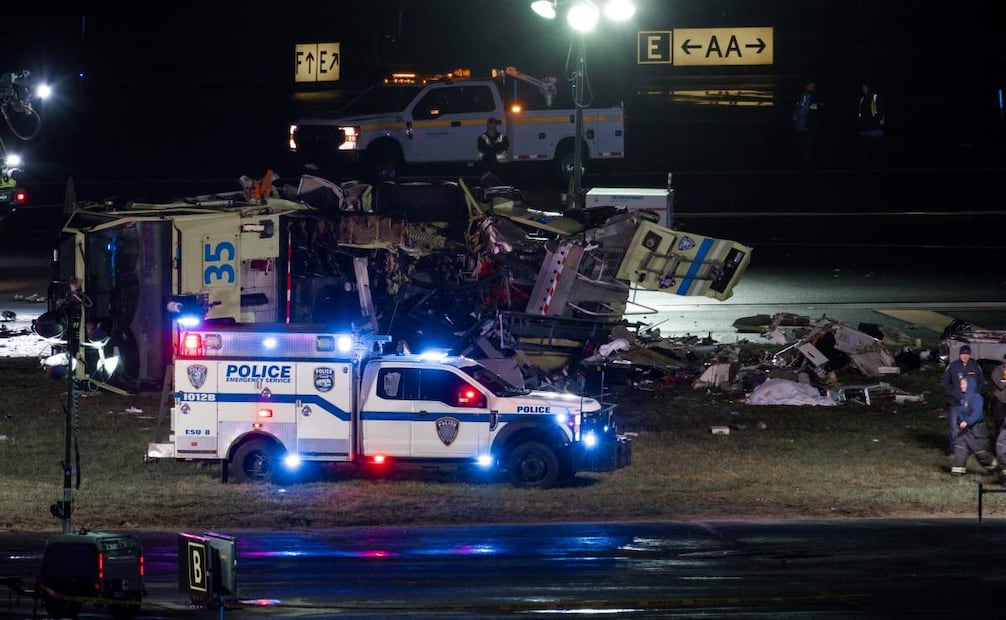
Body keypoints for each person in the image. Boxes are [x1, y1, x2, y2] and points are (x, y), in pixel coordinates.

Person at [941, 344, 984, 454]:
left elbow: (981, 383)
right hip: (955, 402)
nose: (965, 356)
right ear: (959, 355)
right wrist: (953, 393)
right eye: (963, 354)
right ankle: (954, 450)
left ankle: (968, 450)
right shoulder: (953, 366)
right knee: (954, 427)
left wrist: (974, 396)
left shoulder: (975, 366)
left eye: (967, 354)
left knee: (968, 427)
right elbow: (945, 382)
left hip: (969, 403)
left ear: (970, 355)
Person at [949, 375, 996, 475]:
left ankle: (995, 467)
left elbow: (977, 413)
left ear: (969, 385)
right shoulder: (962, 398)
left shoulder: (976, 397)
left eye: (963, 384)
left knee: (981, 453)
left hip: (976, 429)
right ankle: (958, 469)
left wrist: (968, 421)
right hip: (965, 430)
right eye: (960, 384)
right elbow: (961, 412)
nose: (961, 386)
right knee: (960, 447)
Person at [792, 80, 823, 169]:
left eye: (813, 85)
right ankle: (805, 161)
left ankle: (807, 160)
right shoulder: (804, 96)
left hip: (810, 123)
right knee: (806, 143)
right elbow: (800, 111)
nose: (812, 87)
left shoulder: (813, 96)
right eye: (811, 85)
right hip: (806, 123)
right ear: (807, 86)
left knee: (808, 143)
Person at [856, 81, 886, 165]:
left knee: (877, 156)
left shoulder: (877, 98)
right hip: (863, 133)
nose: (863, 89)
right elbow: (860, 115)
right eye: (863, 87)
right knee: (864, 157)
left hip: (876, 132)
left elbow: (880, 114)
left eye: (865, 87)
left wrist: (876, 124)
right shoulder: (862, 99)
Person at [476, 117, 510, 187]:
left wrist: (492, 148)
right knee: (487, 183)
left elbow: (505, 146)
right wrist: (495, 148)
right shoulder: (482, 138)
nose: (493, 126)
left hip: (500, 166)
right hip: (486, 165)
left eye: (495, 124)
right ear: (487, 125)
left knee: (501, 184)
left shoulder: (502, 137)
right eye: (491, 124)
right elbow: (481, 148)